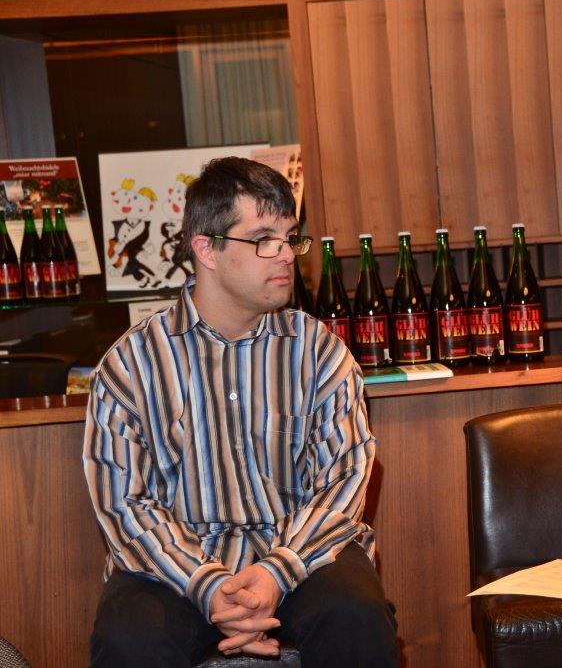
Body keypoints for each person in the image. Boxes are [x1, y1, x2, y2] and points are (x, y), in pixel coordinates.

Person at [83, 157, 399, 667]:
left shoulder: (319, 351)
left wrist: (276, 572)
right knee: (128, 638)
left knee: (356, 615)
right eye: (263, 239)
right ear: (206, 248)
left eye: (290, 238)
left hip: (300, 551)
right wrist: (210, 587)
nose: (285, 255)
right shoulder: (130, 363)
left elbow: (345, 475)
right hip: (175, 563)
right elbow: (125, 503)